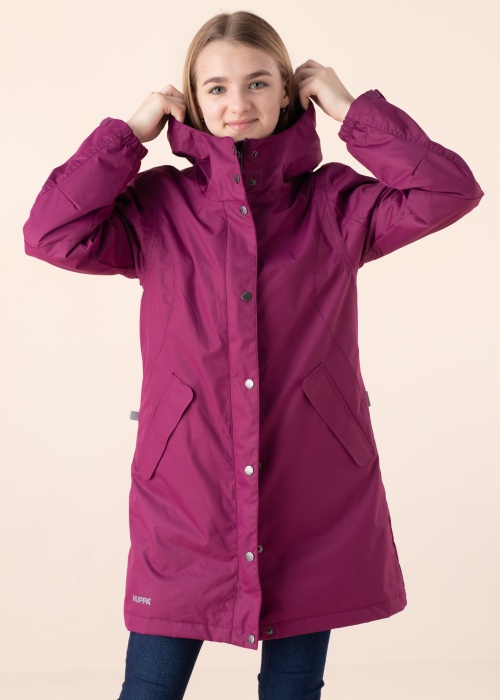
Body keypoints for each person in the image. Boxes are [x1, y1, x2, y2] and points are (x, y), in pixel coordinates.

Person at [23, 10, 484, 700]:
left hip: (312, 493)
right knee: (148, 690)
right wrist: (126, 135)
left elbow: (449, 190)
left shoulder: (334, 203)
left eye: (258, 82)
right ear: (191, 99)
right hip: (187, 494)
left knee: (292, 694)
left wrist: (353, 110)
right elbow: (50, 234)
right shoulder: (158, 206)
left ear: (288, 92)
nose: (237, 103)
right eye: (216, 88)